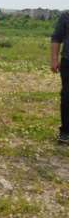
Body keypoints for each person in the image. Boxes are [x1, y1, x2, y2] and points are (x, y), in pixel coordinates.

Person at [51, 11, 69, 144]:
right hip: (68, 61)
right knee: (67, 96)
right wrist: (54, 59)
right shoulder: (66, 16)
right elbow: (56, 38)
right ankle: (65, 132)